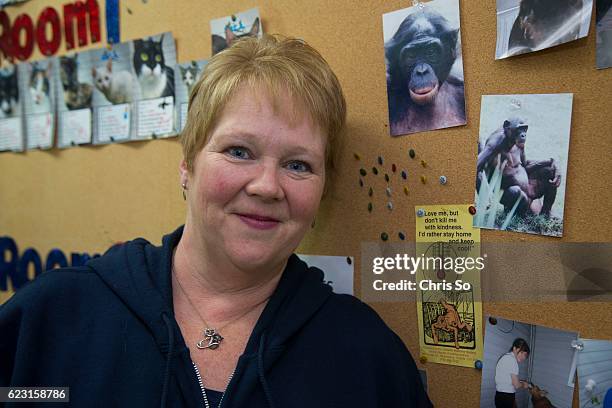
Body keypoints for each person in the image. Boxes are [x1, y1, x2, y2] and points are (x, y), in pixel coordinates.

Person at [0, 35, 431, 407]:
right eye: (239, 151)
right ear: (187, 163)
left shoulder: (367, 358)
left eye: (298, 165)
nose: (267, 186)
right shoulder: (52, 320)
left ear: (321, 191)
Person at [494, 338, 530, 408]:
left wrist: (520, 381)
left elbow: (506, 380)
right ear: (515, 348)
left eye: (525, 356)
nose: (524, 357)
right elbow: (516, 385)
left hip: (499, 396)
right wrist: (524, 385)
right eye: (523, 353)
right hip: (506, 398)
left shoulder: (505, 357)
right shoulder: (513, 361)